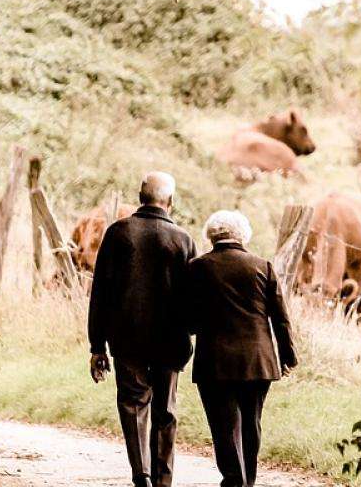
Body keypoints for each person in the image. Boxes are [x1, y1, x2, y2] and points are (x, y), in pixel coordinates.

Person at [87, 172, 197, 487]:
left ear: (140, 197)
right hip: (170, 340)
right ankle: (163, 479)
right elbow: (193, 297)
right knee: (165, 410)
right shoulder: (183, 240)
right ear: (171, 201)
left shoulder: (118, 233)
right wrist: (187, 334)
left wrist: (97, 346)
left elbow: (101, 294)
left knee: (133, 403)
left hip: (126, 337)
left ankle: (142, 474)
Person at [186, 210, 297, 487]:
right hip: (258, 359)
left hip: (215, 359)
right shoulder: (263, 266)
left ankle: (234, 478)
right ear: (243, 235)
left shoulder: (197, 268)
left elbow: (187, 317)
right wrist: (287, 356)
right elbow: (280, 317)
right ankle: (248, 480)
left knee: (223, 424)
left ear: (211, 235)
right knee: (251, 421)